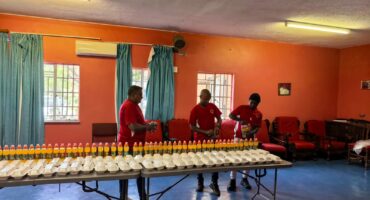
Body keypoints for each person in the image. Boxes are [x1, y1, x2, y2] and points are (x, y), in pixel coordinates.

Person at [118, 85, 157, 200]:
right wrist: (147, 127)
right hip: (129, 145)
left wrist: (147, 125)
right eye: (140, 95)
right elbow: (133, 127)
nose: (142, 97)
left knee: (139, 171)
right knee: (127, 171)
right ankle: (127, 196)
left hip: (135, 144)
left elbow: (138, 121)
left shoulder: (134, 105)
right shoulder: (129, 106)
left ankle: (138, 196)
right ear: (134, 94)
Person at [189, 89, 222, 196]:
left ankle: (214, 183)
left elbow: (219, 118)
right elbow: (191, 126)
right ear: (200, 96)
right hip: (200, 139)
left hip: (212, 138)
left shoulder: (212, 106)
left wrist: (217, 126)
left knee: (214, 160)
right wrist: (204, 131)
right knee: (200, 161)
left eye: (209, 99)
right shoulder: (195, 110)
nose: (207, 101)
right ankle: (200, 182)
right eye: (205, 99)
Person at [227, 93, 262, 192]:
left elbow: (257, 128)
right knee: (235, 159)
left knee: (247, 160)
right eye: (251, 102)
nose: (252, 105)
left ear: (258, 104)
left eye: (255, 104)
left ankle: (244, 179)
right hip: (238, 137)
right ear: (249, 100)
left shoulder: (259, 114)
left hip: (249, 139)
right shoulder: (242, 108)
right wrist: (240, 120)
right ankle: (232, 180)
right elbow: (231, 115)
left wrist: (251, 132)